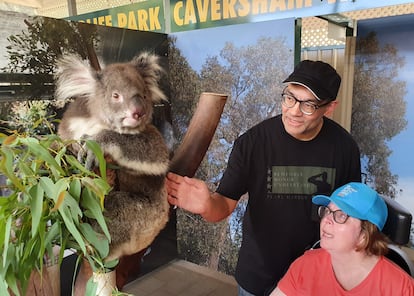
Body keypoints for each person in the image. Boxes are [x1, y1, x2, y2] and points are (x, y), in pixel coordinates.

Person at [166, 60, 362, 295]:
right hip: (258, 277)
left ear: (329, 107)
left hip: (316, 276)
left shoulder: (344, 148)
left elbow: (350, 213)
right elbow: (224, 205)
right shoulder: (252, 143)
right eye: (289, 98)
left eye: (308, 104)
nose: (294, 111)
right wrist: (207, 205)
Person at [271, 182, 414, 295]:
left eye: (341, 215)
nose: (326, 219)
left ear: (364, 235)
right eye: (327, 211)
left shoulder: (400, 288)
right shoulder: (305, 265)